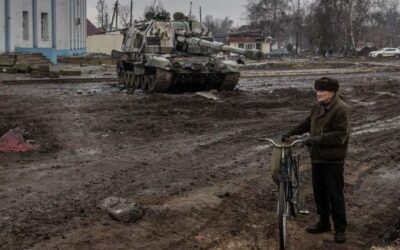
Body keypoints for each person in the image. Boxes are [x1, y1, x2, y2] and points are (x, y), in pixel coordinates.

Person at [282, 77, 350, 244]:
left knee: (335, 194)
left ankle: (340, 229)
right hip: (317, 157)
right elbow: (307, 124)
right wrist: (289, 133)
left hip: (333, 159)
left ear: (332, 92)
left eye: (322, 90)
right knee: (319, 193)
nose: (318, 93)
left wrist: (315, 140)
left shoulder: (341, 109)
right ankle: (324, 222)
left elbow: (340, 136)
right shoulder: (318, 106)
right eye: (317, 90)